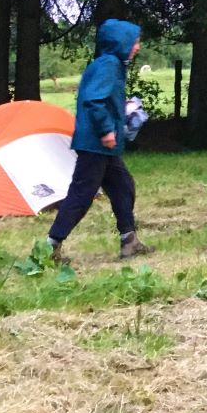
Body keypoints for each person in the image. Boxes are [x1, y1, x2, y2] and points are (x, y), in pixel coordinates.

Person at [46, 18, 154, 264]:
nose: (137, 47)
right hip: (97, 143)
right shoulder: (108, 64)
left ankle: (129, 241)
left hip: (105, 146)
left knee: (123, 186)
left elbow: (102, 99)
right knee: (82, 194)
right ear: (120, 43)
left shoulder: (111, 64)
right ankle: (50, 247)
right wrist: (106, 130)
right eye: (134, 42)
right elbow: (94, 101)